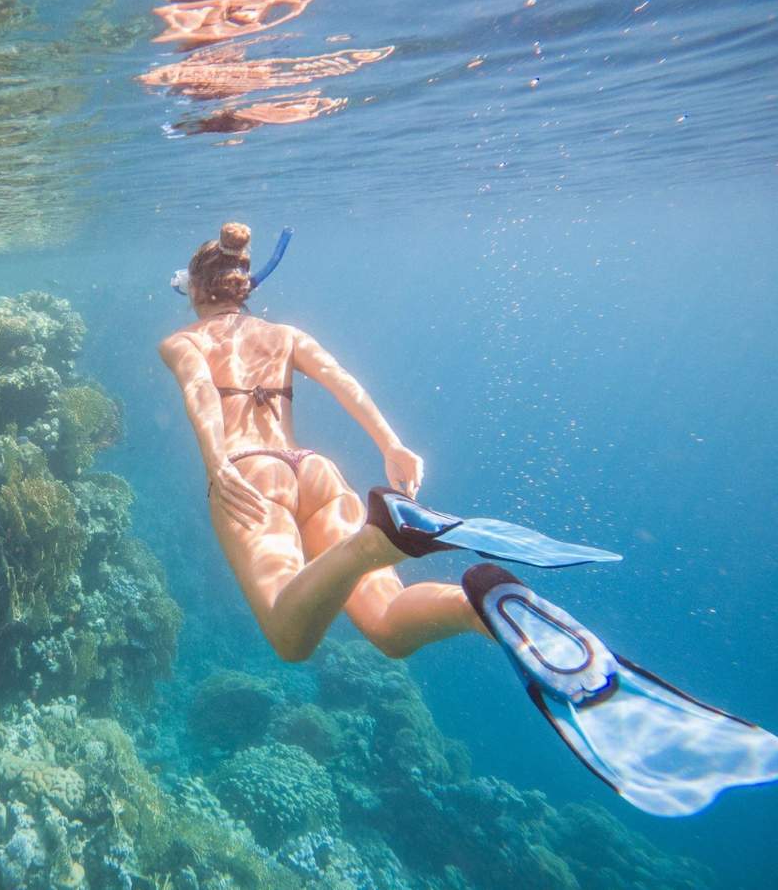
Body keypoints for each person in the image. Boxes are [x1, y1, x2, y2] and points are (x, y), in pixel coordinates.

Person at [160, 221, 778, 816]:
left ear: (197, 290)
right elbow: (343, 382)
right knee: (387, 627)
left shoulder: (183, 341)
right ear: (245, 286)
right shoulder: (285, 334)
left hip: (251, 473)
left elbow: (199, 394)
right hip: (314, 470)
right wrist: (393, 446)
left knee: (290, 639)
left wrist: (219, 462)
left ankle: (376, 543)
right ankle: (477, 607)